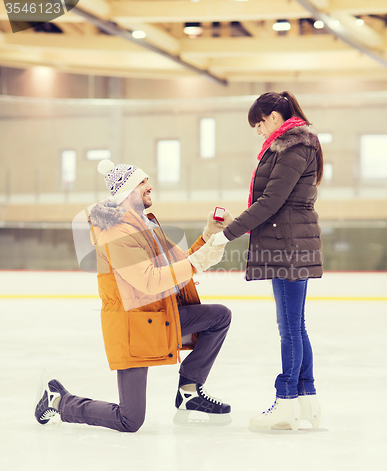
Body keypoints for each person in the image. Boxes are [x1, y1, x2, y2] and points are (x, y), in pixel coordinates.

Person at [35, 159, 233, 432]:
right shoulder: (115, 232)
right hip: (133, 326)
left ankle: (189, 392)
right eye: (143, 182)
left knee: (218, 317)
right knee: (130, 420)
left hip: (158, 317)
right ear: (127, 191)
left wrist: (209, 235)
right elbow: (149, 281)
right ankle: (58, 400)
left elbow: (180, 261)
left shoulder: (144, 223)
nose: (150, 186)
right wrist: (197, 263)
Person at [213, 91, 323, 431]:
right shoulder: (290, 146)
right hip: (289, 242)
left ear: (274, 116)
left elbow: (271, 201)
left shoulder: (294, 147)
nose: (259, 132)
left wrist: (227, 233)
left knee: (289, 328)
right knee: (296, 326)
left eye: (259, 124)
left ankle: (286, 402)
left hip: (288, 246)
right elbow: (273, 201)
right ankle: (308, 403)